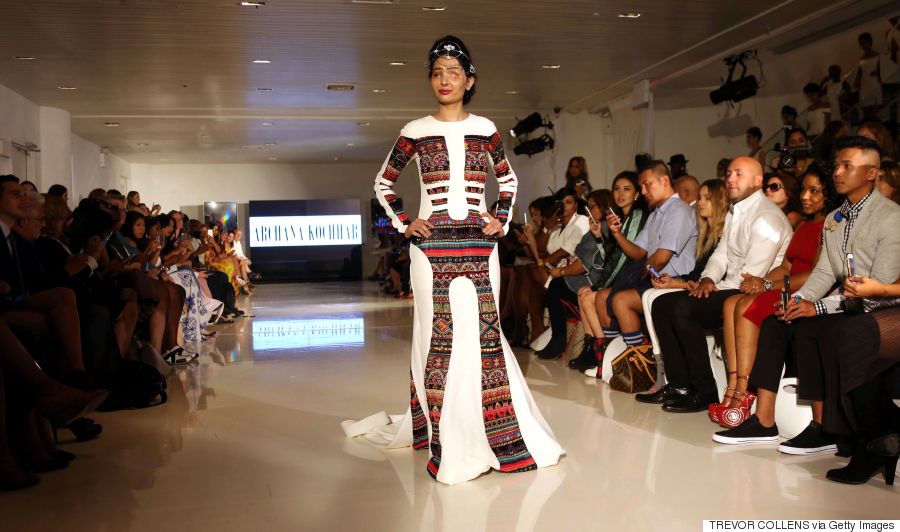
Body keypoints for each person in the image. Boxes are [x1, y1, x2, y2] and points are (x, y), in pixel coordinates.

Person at [357, 35, 563, 485]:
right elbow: (383, 184)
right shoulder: (414, 130)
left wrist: (500, 220)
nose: (445, 80)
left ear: (469, 81)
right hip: (429, 249)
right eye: (437, 73)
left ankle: (496, 432)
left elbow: (507, 181)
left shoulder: (486, 128)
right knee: (438, 338)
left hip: (478, 244)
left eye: (454, 72)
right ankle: (444, 437)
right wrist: (407, 222)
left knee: (483, 337)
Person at [712, 137, 900, 459]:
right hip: (847, 301)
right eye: (837, 165)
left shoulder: (890, 217)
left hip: (877, 307)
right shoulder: (835, 219)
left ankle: (829, 426)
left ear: (871, 174)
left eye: (847, 166)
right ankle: (766, 419)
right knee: (779, 320)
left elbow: (877, 288)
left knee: (815, 328)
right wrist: (801, 301)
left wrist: (818, 306)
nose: (838, 172)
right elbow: (824, 272)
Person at [638, 156, 792, 412]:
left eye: (739, 174)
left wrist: (712, 286)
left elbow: (751, 275)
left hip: (751, 293)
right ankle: (680, 385)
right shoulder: (736, 211)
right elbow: (721, 254)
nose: (730, 178)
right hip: (730, 287)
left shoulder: (766, 218)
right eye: (729, 173)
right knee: (663, 304)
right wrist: (707, 279)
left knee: (682, 308)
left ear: (758, 181)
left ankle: (705, 389)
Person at [711, 165, 840, 428]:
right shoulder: (804, 226)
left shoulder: (831, 226)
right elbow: (788, 266)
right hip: (789, 282)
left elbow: (818, 274)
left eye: (814, 191)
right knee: (731, 302)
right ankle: (734, 384)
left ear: (828, 194)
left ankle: (745, 392)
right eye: (804, 189)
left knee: (747, 306)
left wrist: (769, 283)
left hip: (809, 289)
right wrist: (763, 280)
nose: (805, 196)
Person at [592, 161, 697, 363]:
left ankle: (642, 363)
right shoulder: (656, 214)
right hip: (656, 278)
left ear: (665, 180)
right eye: (642, 186)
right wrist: (616, 234)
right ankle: (616, 358)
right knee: (603, 297)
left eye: (648, 184)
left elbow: (661, 259)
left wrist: (634, 276)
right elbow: (638, 252)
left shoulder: (678, 211)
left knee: (620, 300)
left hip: (674, 281)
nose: (644, 190)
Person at [575, 171, 647, 372]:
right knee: (588, 294)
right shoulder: (621, 217)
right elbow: (612, 257)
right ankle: (599, 352)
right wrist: (599, 237)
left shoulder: (637, 215)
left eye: (627, 189)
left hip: (637, 278)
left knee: (595, 296)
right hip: (626, 277)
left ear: (637, 194)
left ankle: (604, 355)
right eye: (616, 189)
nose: (620, 194)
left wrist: (598, 285)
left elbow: (624, 258)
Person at [855, 32, 883, 117]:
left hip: (874, 82)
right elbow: (859, 72)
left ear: (870, 42)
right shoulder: (861, 59)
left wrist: (878, 73)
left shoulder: (878, 56)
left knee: (875, 109)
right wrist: (857, 82)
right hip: (864, 84)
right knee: (865, 108)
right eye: (861, 44)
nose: (863, 46)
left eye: (865, 43)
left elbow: (883, 70)